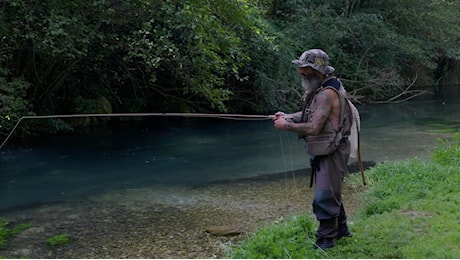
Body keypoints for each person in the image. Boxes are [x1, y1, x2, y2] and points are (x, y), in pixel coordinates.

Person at [273, 49, 355, 250]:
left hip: (332, 150)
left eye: (304, 69)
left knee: (324, 195)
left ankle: (325, 240)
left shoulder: (326, 94)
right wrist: (289, 116)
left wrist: (286, 126)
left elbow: (313, 127)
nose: (301, 73)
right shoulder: (326, 88)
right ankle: (342, 230)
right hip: (329, 148)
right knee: (331, 189)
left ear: (316, 71)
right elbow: (313, 114)